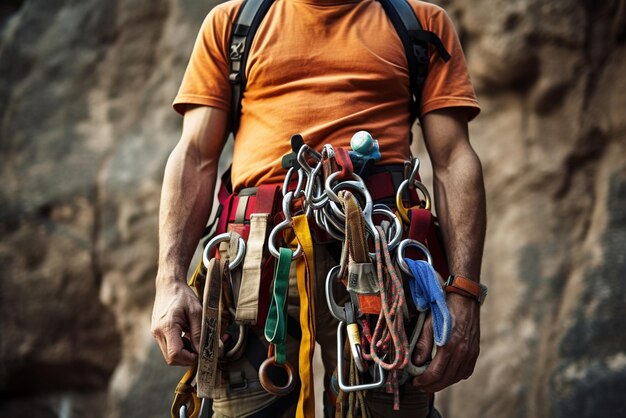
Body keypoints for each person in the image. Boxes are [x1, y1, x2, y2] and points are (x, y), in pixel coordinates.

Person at [151, 0, 486, 416]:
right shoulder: (233, 24)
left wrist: (465, 293)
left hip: (376, 257)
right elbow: (194, 156)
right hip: (259, 259)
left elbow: (454, 158)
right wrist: (169, 280)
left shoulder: (420, 23)